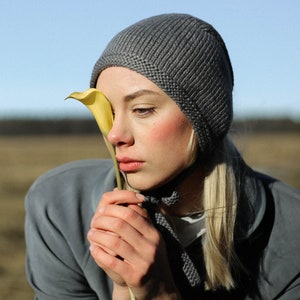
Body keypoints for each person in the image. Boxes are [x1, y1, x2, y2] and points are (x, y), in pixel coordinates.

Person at [25, 13, 300, 299]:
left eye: (142, 109)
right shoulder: (60, 207)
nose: (115, 135)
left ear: (204, 119)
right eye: (109, 112)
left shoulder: (291, 232)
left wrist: (159, 293)